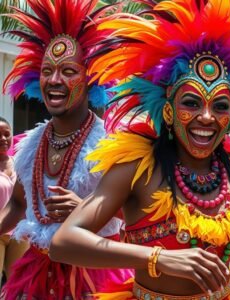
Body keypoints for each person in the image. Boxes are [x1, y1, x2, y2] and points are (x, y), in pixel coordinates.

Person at [49, 0, 230, 299]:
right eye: (191, 103)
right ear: (168, 112)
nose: (207, 117)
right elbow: (65, 241)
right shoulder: (138, 169)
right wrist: (157, 258)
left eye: (220, 106)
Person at [0, 0, 131, 297]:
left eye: (68, 71)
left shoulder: (112, 144)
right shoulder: (29, 146)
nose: (55, 80)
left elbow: (137, 214)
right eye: (47, 71)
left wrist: (86, 211)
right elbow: (19, 205)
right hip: (37, 274)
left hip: (97, 275)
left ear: (91, 78)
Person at [0, 117, 29, 283]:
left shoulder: (20, 163)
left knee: (18, 284)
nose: (3, 139)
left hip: (20, 234)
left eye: (6, 134)